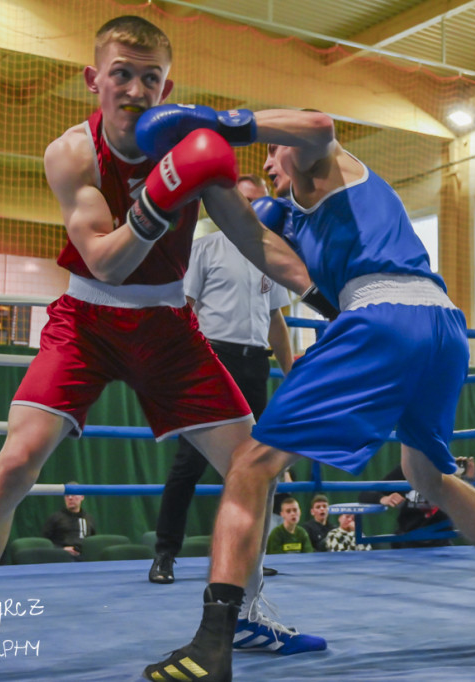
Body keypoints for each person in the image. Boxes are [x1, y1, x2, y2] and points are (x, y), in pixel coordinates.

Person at [0, 17, 324, 682]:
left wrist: (323, 296)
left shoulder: (195, 144)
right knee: (17, 460)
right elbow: (105, 259)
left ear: (168, 86)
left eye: (149, 77)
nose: (134, 89)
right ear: (94, 78)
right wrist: (162, 191)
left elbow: (249, 233)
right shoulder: (71, 152)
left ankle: (245, 612)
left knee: (253, 464)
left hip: (168, 328)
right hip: (87, 321)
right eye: (121, 73)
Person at [144, 107, 475, 682]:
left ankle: (212, 643)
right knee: (427, 476)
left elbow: (318, 125)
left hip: (384, 317)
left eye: (270, 153)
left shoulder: (322, 161)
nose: (268, 163)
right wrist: (191, 169)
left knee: (251, 464)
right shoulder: (288, 218)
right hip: (443, 326)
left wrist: (223, 124)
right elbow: (253, 238)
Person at [149, 173, 294, 584]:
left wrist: (292, 372)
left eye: (260, 202)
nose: (254, 209)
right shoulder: (204, 249)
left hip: (254, 364)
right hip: (212, 359)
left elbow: (275, 320)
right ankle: (165, 554)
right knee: (189, 463)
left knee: (259, 463)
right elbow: (185, 308)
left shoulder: (269, 255)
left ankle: (250, 554)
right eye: (246, 200)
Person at [358, 457, 475, 549]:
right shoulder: (405, 470)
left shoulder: (450, 470)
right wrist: (383, 498)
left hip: (441, 542)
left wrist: (470, 480)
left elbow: (473, 506)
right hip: (408, 542)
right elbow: (365, 494)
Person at [41, 487, 97, 558]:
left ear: (82, 497)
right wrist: (62, 549)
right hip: (62, 558)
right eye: (67, 495)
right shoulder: (55, 518)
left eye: (73, 495)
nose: (70, 498)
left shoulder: (89, 519)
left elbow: (92, 541)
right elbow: (45, 543)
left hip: (85, 559)